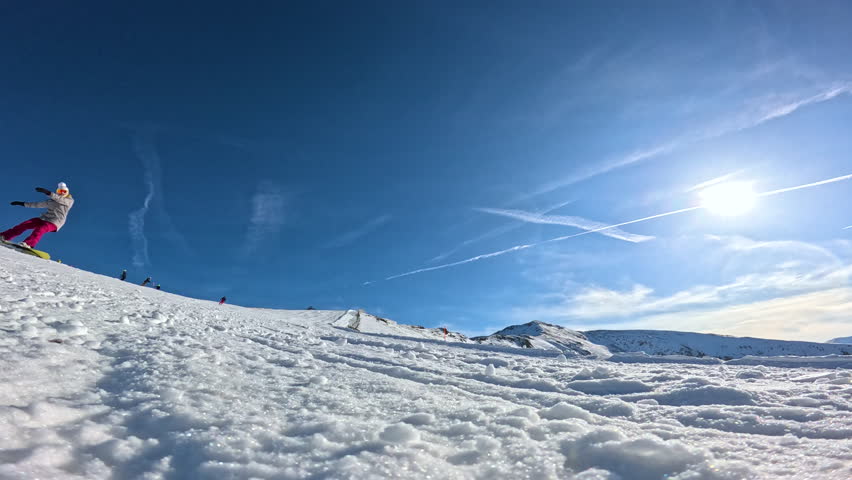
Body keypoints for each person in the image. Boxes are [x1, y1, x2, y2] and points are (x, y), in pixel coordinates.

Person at [2, 183, 75, 249]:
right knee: (24, 224)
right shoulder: (51, 201)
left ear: (67, 193)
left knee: (40, 229)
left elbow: (60, 199)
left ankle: (28, 244)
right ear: (57, 192)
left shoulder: (69, 201)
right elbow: (37, 204)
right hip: (43, 219)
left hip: (55, 222)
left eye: (64, 192)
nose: (62, 193)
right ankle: (4, 236)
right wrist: (22, 203)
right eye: (60, 191)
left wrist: (48, 193)